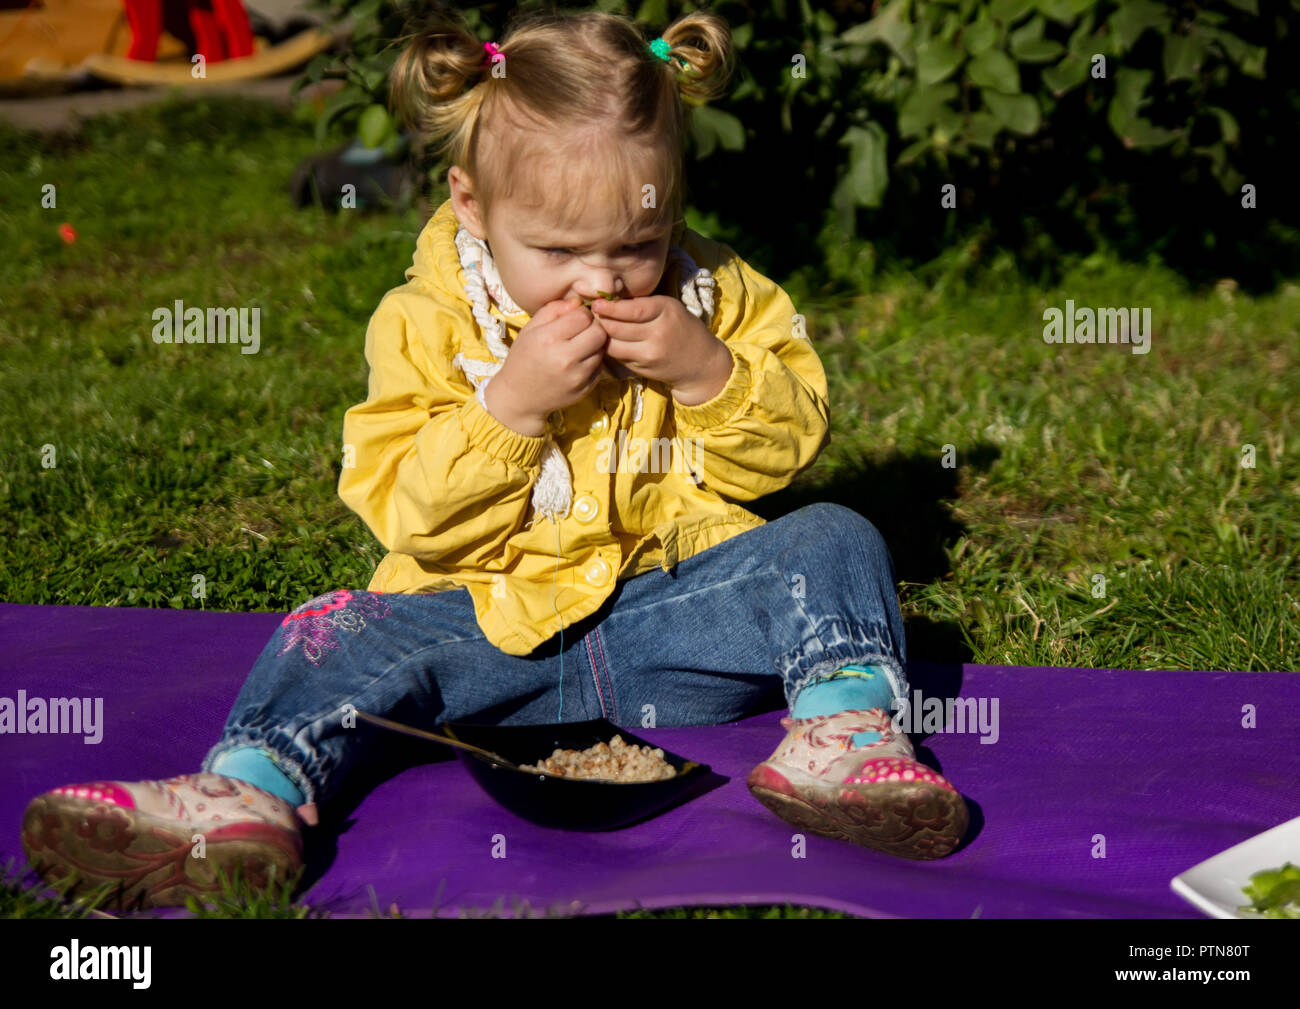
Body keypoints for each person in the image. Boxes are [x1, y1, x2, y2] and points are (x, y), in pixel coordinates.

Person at [20, 8, 969, 910]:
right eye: (558, 248)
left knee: (835, 536)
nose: (601, 280)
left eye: (638, 241)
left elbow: (791, 442)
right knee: (333, 628)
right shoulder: (427, 321)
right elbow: (404, 511)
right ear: (472, 205)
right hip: (481, 639)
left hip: (669, 624)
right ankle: (250, 791)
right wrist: (507, 407)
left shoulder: (712, 293)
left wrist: (707, 371)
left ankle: (842, 736)